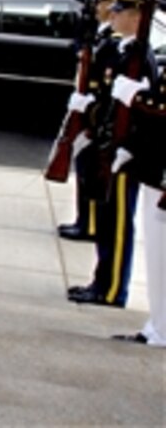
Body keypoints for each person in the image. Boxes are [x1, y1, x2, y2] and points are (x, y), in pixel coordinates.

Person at [68, 0, 159, 308]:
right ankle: (101, 282)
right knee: (106, 221)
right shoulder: (125, 51)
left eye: (121, 10)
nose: (113, 15)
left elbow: (142, 111)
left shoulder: (139, 57)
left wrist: (127, 146)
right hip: (109, 146)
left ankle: (112, 290)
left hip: (123, 153)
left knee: (117, 223)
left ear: (137, 17)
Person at [108, 40, 166, 345]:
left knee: (161, 254)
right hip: (157, 167)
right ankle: (158, 324)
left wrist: (138, 97)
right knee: (157, 255)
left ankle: (161, 328)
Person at [57, 0, 119, 241]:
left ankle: (90, 223)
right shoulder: (100, 31)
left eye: (103, 1)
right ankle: (84, 219)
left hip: (97, 116)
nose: (97, 6)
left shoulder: (113, 40)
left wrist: (90, 108)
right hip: (89, 108)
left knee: (92, 172)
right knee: (83, 170)